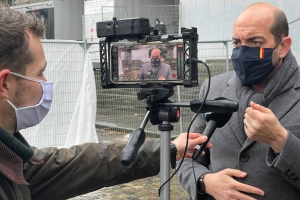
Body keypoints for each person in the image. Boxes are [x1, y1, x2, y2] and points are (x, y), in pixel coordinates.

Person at [0, 6, 212, 200]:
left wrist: (167, 149)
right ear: (5, 84)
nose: (46, 83)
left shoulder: (12, 158)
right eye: (40, 73)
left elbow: (77, 165)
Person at [178, 2, 300, 200]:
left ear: (283, 46)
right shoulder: (212, 88)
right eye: (236, 43)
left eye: (255, 42)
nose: (243, 52)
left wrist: (280, 140)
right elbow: (185, 157)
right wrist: (203, 180)